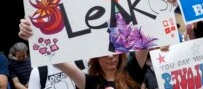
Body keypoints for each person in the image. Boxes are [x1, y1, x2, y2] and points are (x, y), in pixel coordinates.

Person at [18, 19, 148, 89]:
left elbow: (148, 35)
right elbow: (57, 59)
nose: (110, 56)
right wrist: (34, 35)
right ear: (95, 58)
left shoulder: (132, 73)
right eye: (104, 53)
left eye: (114, 51)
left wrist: (168, 1)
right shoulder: (89, 82)